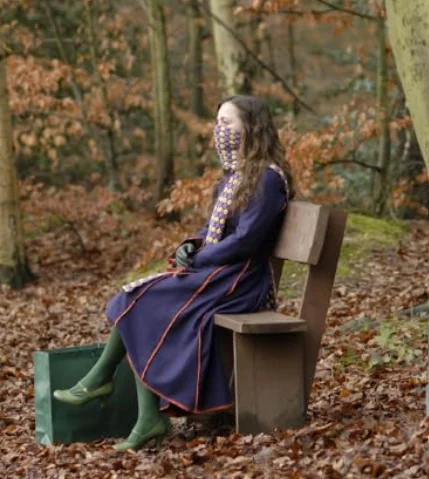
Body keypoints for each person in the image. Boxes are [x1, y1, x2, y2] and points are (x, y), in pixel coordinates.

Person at [53, 95, 295, 451]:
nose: (219, 131)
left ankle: (115, 390)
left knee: (140, 301)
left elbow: (245, 242)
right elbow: (212, 229)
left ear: (252, 127)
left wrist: (200, 259)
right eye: (217, 123)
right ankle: (140, 411)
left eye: (227, 123)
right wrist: (191, 246)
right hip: (219, 272)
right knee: (136, 297)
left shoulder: (268, 179)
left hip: (239, 282)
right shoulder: (233, 178)